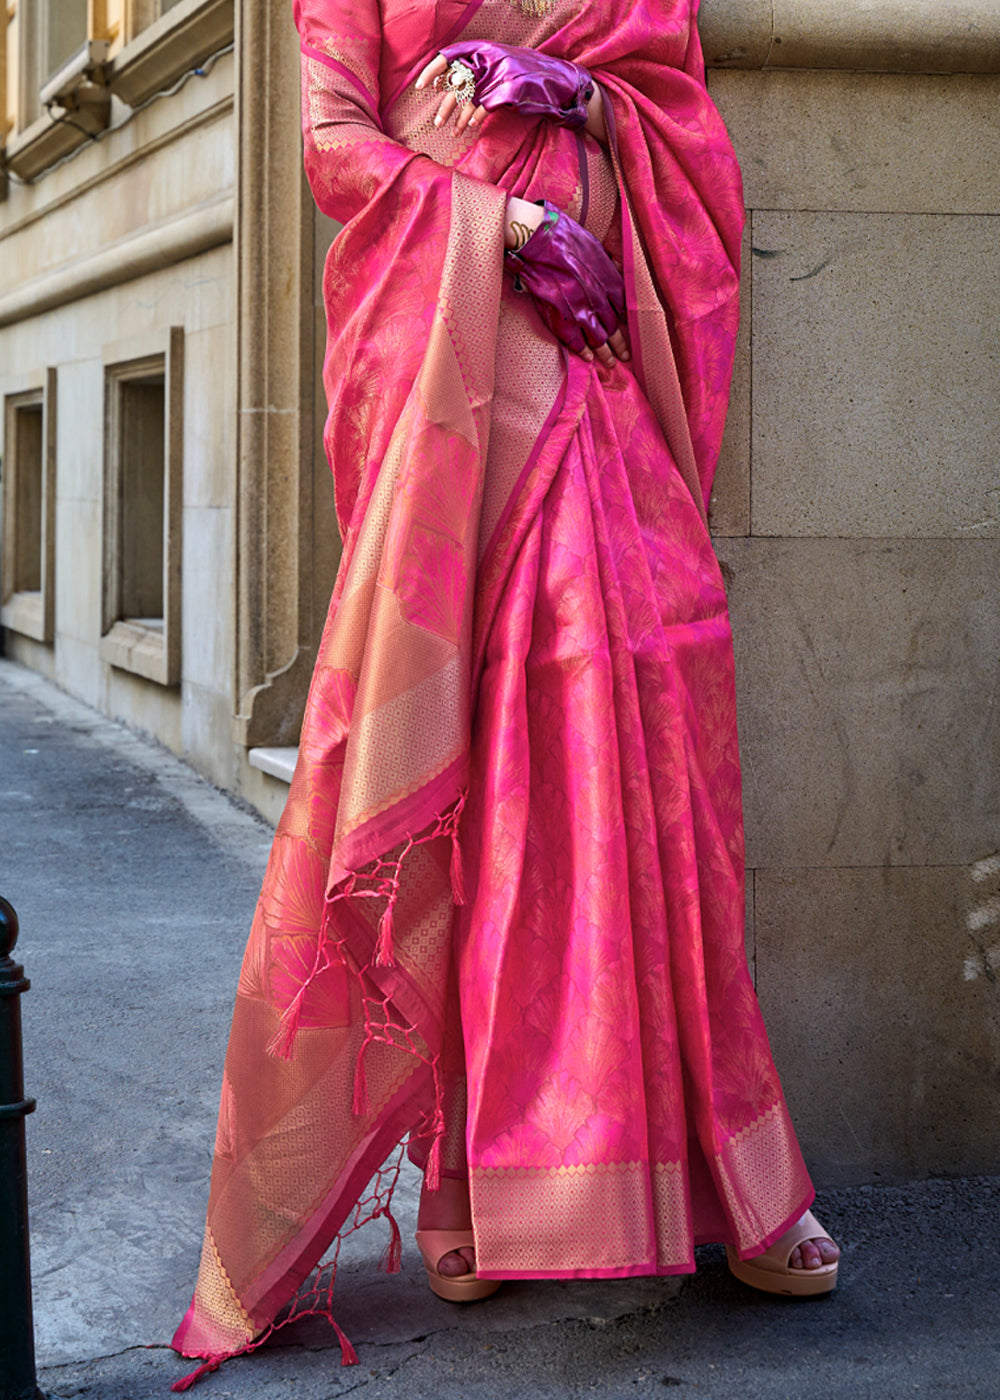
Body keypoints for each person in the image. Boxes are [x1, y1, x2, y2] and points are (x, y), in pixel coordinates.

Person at [172, 0, 838, 1384]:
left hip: (599, 373)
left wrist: (582, 105)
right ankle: (469, 1178)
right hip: (453, 381)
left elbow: (680, 124)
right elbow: (334, 140)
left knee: (658, 740)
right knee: (473, 768)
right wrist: (511, 232)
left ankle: (734, 1179)